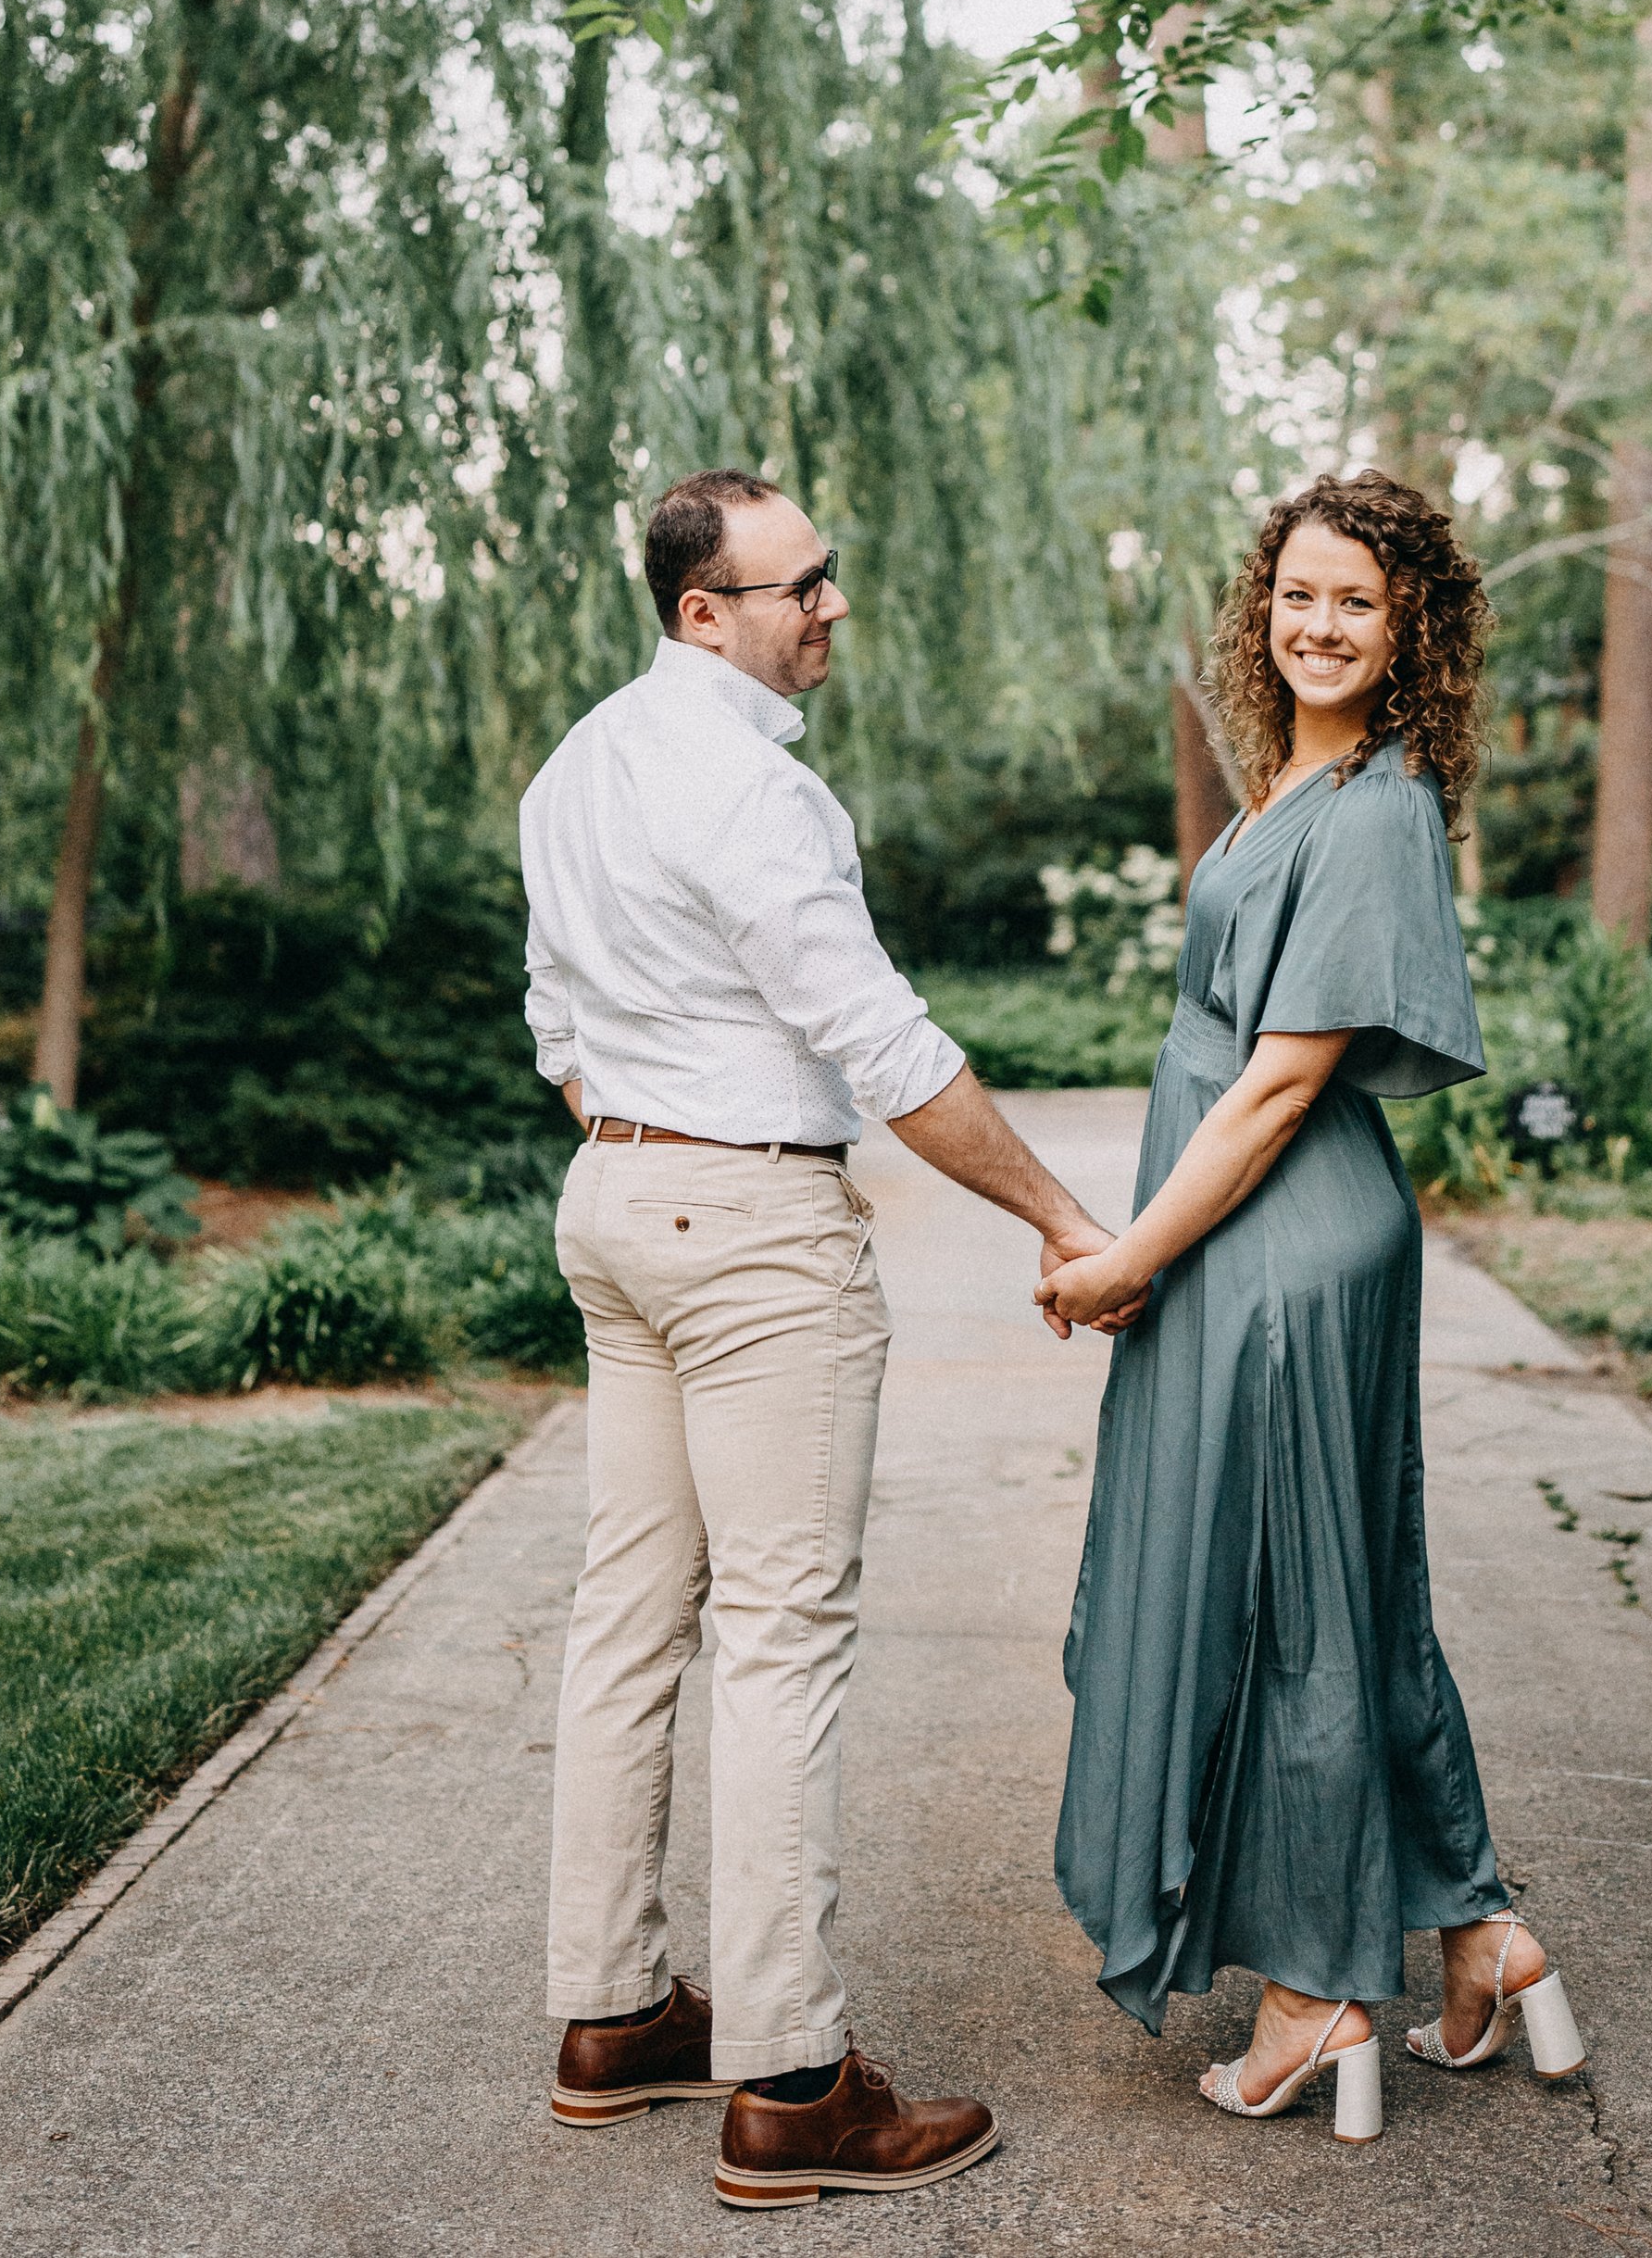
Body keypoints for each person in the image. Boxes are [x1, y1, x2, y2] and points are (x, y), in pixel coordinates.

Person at [523, 466, 1119, 2212]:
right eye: (800, 587)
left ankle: (614, 2012)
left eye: (830, 576)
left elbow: (557, 1018)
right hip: (750, 1230)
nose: (831, 606)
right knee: (782, 1636)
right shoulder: (756, 788)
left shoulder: (579, 763)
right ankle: (789, 2079)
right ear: (704, 610)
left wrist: (643, 1127)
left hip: (616, 1207)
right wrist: (1066, 1218)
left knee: (629, 1620)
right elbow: (883, 1042)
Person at [1039, 470, 1585, 2137]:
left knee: (1290, 1608)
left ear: (1411, 621)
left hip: (1278, 1235)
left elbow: (1279, 1089)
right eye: (1296, 592)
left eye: (1356, 598)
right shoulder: (1310, 778)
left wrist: (1131, 1256)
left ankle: (1314, 1988)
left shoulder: (1375, 807)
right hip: (1275, 1230)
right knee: (1350, 1583)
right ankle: (1484, 1935)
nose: (1318, 622)